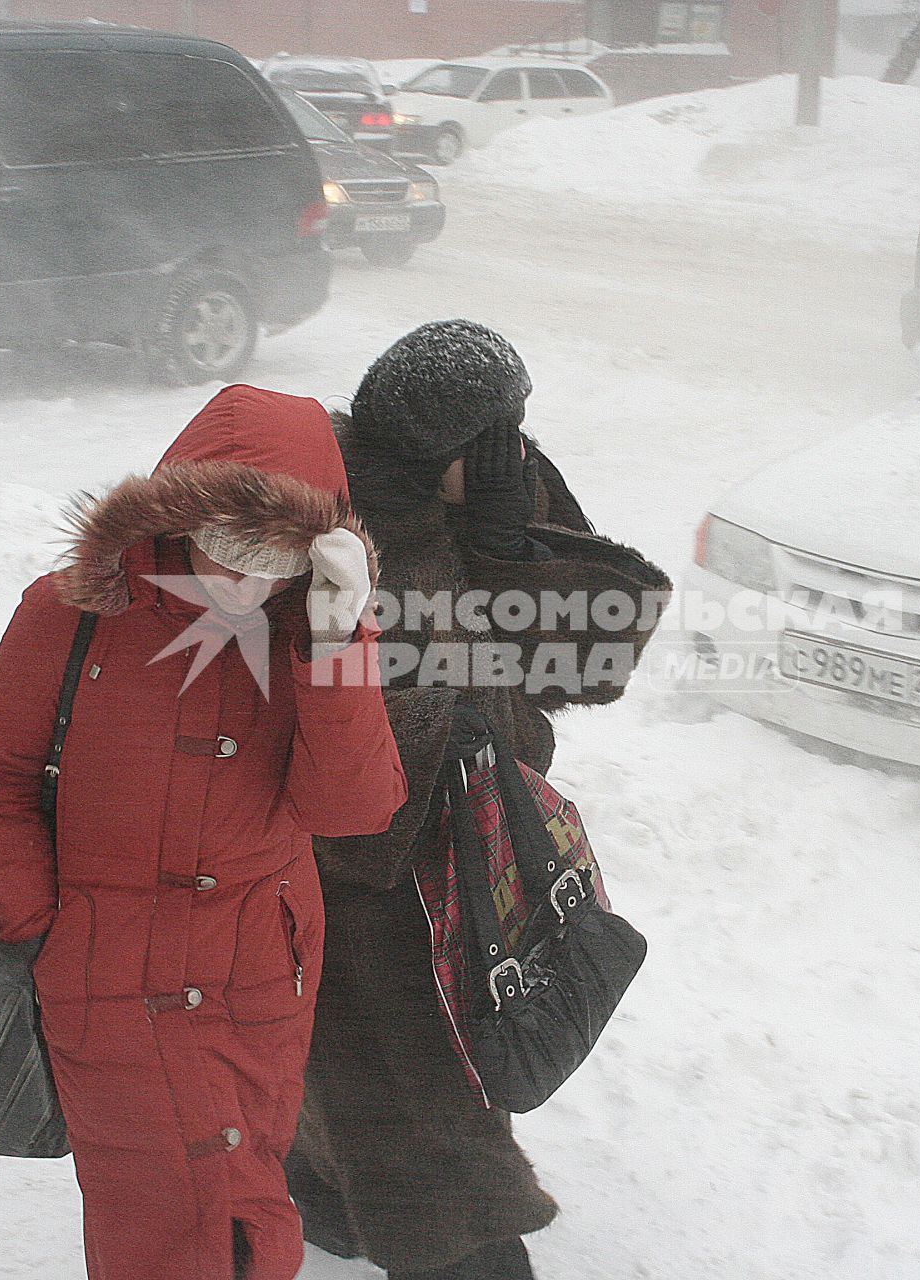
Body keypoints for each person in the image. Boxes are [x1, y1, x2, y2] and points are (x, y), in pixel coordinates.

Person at [0, 385, 407, 1280]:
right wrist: (38, 928)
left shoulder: (311, 633)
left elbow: (354, 811)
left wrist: (334, 643)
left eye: (270, 558)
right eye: (225, 545)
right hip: (104, 976)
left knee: (247, 1202)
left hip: (255, 980)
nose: (242, 579)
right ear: (178, 510)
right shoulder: (74, 610)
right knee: (158, 1229)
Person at [287, 321, 672, 1280]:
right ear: (433, 448)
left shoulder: (502, 489)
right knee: (414, 1099)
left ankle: (329, 1202)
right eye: (499, 433)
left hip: (479, 838)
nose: (522, 449)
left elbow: (597, 653)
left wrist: (504, 547)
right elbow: (306, 729)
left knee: (435, 1063)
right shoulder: (328, 528)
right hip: (369, 878)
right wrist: (433, 724)